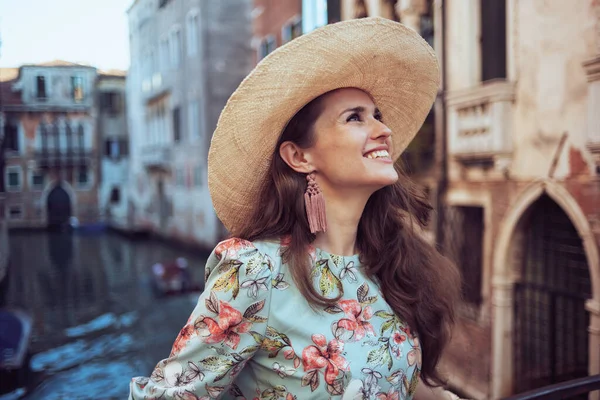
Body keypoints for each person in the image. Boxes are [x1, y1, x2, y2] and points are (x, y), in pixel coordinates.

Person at [129, 17, 461, 400]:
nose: (383, 130)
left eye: (378, 116)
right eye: (355, 117)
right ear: (299, 156)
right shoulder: (255, 271)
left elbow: (393, 376)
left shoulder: (386, 260)